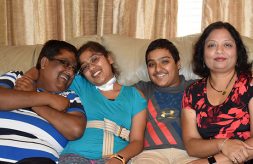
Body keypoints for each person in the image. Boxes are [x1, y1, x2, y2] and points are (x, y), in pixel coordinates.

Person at [58, 41, 147, 164]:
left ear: (109, 58)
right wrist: (28, 77)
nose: (92, 68)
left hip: (114, 158)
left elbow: (137, 141)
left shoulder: (134, 95)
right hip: (75, 156)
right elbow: (46, 72)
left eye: (94, 59)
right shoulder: (80, 84)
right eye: (85, 67)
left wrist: (119, 158)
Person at [0, 40, 86, 163]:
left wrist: (35, 102)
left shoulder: (70, 96)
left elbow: (75, 129)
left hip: (36, 159)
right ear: (44, 62)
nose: (70, 72)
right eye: (65, 63)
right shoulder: (16, 78)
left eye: (74, 68)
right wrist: (47, 99)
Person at [181, 21, 253, 164]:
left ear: (238, 52)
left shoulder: (250, 84)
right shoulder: (192, 92)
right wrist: (223, 144)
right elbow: (191, 145)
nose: (219, 50)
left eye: (227, 45)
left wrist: (213, 162)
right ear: (202, 54)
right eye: (212, 45)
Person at [130, 39, 196, 164]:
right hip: (150, 155)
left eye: (164, 62)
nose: (158, 69)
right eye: (151, 64)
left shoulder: (195, 88)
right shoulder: (142, 89)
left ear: (178, 64)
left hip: (189, 154)